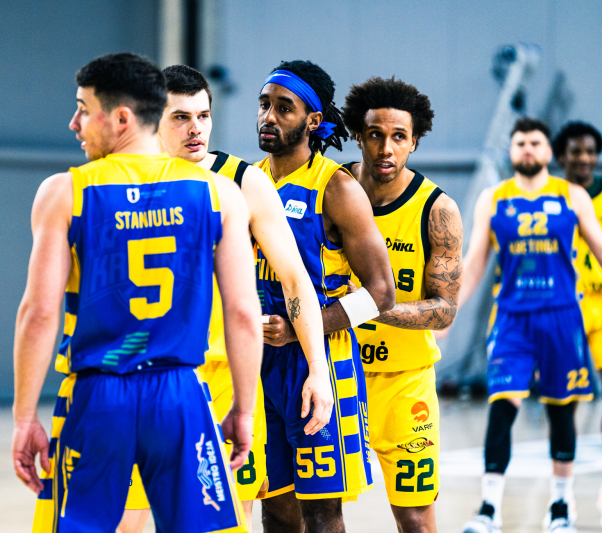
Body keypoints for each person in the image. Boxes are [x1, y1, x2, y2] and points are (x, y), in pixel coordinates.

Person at [12, 53, 262, 533]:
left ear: (121, 117)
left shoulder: (65, 192)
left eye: (83, 109)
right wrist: (244, 409)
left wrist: (25, 417)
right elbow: (243, 313)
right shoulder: (219, 194)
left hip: (97, 395)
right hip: (181, 395)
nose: (74, 123)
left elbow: (39, 313)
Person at [117, 64, 332, 533]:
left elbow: (295, 280)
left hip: (222, 378)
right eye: (180, 117)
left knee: (226, 520)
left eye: (204, 116)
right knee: (125, 521)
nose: (196, 128)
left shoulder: (243, 181)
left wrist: (319, 369)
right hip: (139, 375)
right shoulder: (121, 178)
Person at [266, 76, 462, 532]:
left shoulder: (437, 210)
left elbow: (444, 309)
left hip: (402, 382)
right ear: (357, 135)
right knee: (303, 507)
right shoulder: (330, 187)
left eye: (399, 137)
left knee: (415, 517)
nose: (385, 149)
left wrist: (368, 304)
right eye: (375, 134)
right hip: (331, 372)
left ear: (415, 141)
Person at [458, 118, 602, 533]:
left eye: (535, 142)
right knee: (502, 404)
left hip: (562, 316)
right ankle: (489, 508)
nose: (528, 149)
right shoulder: (493, 198)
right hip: (512, 318)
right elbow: (474, 263)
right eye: (520, 143)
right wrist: (447, 313)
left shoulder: (571, 195)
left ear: (549, 152)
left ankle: (560, 507)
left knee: (561, 409)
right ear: (512, 151)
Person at [255, 60, 396, 533]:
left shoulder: (336, 187)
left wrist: (302, 328)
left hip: (320, 362)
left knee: (320, 510)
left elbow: (381, 293)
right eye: (264, 105)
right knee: (274, 506)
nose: (268, 117)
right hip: (260, 359)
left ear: (313, 120)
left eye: (284, 108)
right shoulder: (249, 180)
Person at [554, 121, 602, 529]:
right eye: (576, 151)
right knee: (565, 399)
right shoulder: (547, 196)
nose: (584, 158)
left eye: (590, 151)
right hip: (566, 305)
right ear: (561, 156)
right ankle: (562, 497)